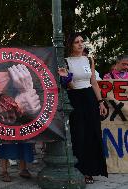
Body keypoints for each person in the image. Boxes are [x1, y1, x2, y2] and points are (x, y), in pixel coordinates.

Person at [58, 32, 108, 184]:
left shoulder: (89, 59)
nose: (80, 44)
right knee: (79, 134)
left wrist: (101, 102)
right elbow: (70, 86)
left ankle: (91, 170)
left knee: (93, 133)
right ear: (71, 45)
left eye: (82, 41)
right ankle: (80, 170)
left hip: (90, 98)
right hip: (76, 98)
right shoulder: (66, 62)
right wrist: (66, 78)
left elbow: (93, 82)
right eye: (76, 42)